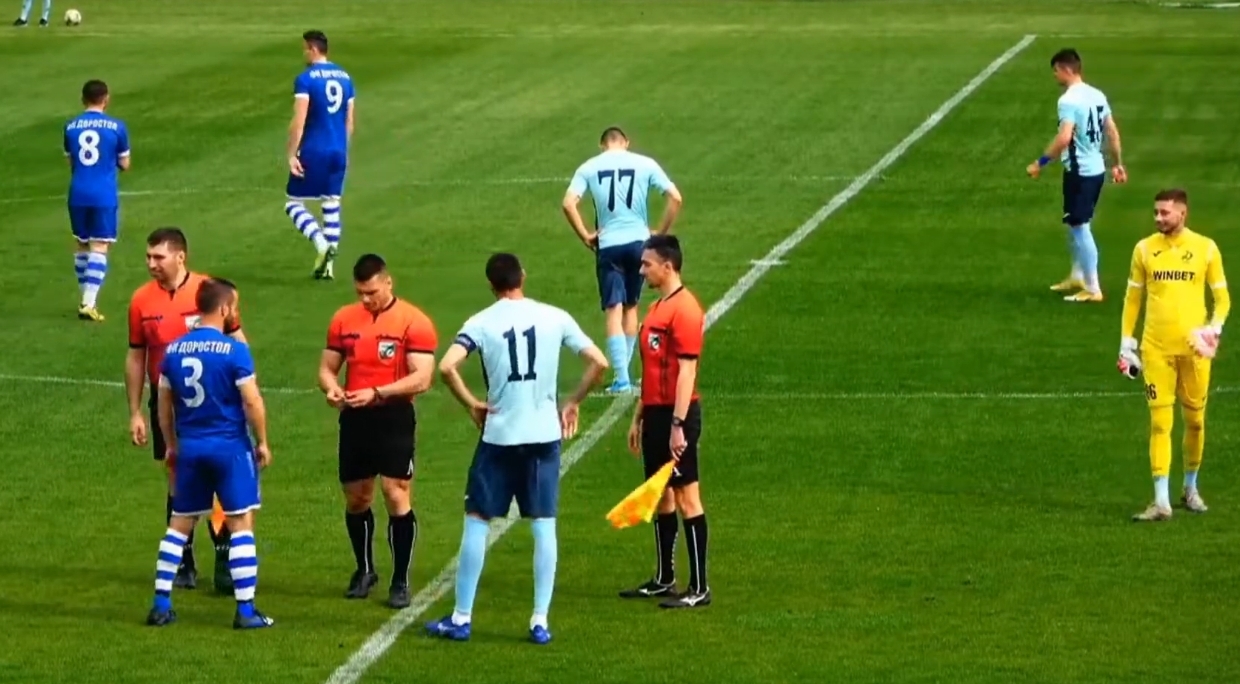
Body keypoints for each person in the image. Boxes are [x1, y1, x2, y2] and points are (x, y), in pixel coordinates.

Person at [426, 253, 608, 644]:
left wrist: (471, 404)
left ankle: (461, 617)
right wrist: (573, 401)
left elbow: (446, 367)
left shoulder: (480, 322)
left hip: (499, 437)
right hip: (543, 436)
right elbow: (599, 363)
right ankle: (539, 620)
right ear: (522, 276)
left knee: (477, 519)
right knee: (544, 525)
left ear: (490, 285)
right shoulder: (554, 316)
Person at [146, 278, 274, 629]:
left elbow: (163, 406)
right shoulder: (234, 351)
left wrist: (171, 445)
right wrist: (263, 441)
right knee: (240, 523)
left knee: (179, 525)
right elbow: (252, 401)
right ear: (224, 308)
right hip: (230, 448)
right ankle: (245, 611)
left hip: (191, 448)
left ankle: (161, 604)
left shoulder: (173, 351)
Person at [126, 228, 243, 593]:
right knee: (176, 476)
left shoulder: (209, 292)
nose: (151, 264)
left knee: (220, 478)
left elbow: (237, 339)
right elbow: (136, 356)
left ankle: (225, 557)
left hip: (214, 405)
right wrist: (135, 411)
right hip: (168, 403)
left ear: (180, 256)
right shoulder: (141, 300)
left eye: (158, 257)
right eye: (148, 257)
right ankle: (184, 562)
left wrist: (244, 387)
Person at [319, 254, 437, 608]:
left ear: (388, 283)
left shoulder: (413, 322)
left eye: (371, 292)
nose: (365, 299)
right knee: (357, 497)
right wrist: (332, 389)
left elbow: (422, 378)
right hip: (355, 417)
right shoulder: (344, 319)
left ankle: (400, 580)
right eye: (360, 292)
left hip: (394, 416)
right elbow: (327, 367)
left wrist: (378, 392)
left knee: (396, 493)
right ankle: (365, 569)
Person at [1118, 189, 1229, 522]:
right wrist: (1126, 342)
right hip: (1156, 350)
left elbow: (1222, 298)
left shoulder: (1206, 248)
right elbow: (1133, 299)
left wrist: (1214, 328)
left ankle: (1190, 488)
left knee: (1195, 421)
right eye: (1156, 212)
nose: (1158, 218)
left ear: (1183, 213)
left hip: (1194, 352)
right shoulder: (1144, 249)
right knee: (1160, 423)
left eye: (1165, 213)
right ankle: (1161, 501)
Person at [622, 234, 710, 608]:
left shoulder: (685, 310)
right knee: (662, 495)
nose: (642, 270)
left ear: (668, 266)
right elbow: (653, 370)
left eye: (647, 264)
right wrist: (639, 416)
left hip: (678, 415)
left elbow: (686, 372)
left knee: (688, 497)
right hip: (657, 414)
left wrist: (677, 425)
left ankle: (700, 588)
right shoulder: (658, 307)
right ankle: (664, 578)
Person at [562, 127, 683, 393]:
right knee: (631, 306)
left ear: (601, 145)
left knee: (613, 308)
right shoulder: (645, 163)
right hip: (639, 243)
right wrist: (660, 234)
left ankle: (622, 378)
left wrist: (585, 235)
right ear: (626, 142)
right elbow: (675, 198)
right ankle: (623, 375)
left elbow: (568, 204)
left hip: (609, 245)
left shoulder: (589, 167)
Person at [1027, 48, 1127, 303]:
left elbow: (1064, 137)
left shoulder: (1068, 101)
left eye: (1055, 71)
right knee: (1075, 223)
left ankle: (1093, 288)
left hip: (1081, 171)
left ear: (1066, 69)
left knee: (1080, 226)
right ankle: (1077, 275)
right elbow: (1112, 132)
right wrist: (1117, 164)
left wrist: (1040, 163)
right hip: (1094, 169)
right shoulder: (1097, 94)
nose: (1054, 76)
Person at [285, 29, 355, 280]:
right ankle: (328, 267)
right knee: (331, 204)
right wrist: (343, 149)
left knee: (293, 204)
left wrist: (292, 153)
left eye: (305, 49)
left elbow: (299, 120)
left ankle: (321, 244)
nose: (304, 53)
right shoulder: (346, 78)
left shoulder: (306, 79)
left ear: (313, 49)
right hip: (339, 151)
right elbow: (349, 122)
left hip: (315, 150)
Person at [65, 79, 130, 321]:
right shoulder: (116, 127)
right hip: (103, 194)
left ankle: (85, 299)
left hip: (77, 192)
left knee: (82, 243)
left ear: (83, 99)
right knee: (100, 245)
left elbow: (71, 162)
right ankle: (89, 303)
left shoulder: (70, 127)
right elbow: (125, 163)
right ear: (106, 99)